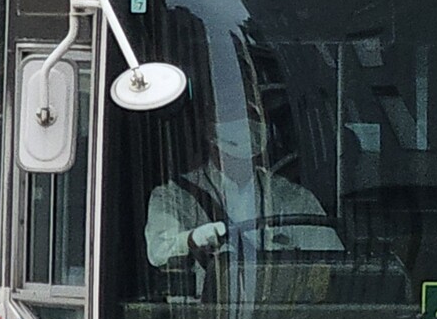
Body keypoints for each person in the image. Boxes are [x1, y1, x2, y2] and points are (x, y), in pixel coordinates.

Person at [145, 98, 341, 281]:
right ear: (209, 132)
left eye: (251, 113)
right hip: (209, 314)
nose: (243, 121)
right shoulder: (175, 196)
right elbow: (158, 251)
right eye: (231, 114)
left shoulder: (292, 198)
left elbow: (333, 263)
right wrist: (190, 239)